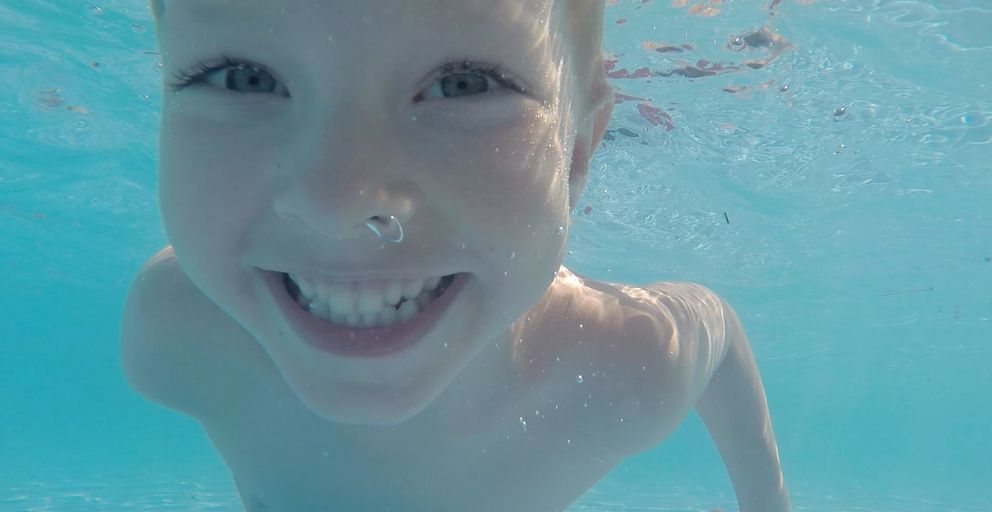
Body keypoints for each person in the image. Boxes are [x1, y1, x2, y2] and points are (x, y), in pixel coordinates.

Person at [121, 1, 790, 510]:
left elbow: (718, 331)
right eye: (240, 78)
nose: (339, 206)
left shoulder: (626, 366)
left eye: (465, 84)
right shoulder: (173, 331)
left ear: (578, 151)